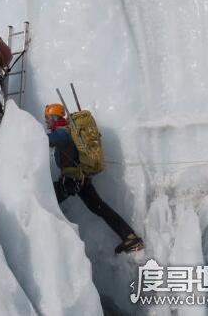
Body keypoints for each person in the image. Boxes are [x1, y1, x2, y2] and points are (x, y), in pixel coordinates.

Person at [44, 103, 144, 253]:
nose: (46, 121)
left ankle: (49, 245)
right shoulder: (69, 132)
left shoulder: (61, 133)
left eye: (47, 118)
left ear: (54, 117)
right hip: (82, 180)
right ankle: (130, 237)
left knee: (44, 200)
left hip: (71, 182)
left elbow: (42, 140)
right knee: (100, 208)